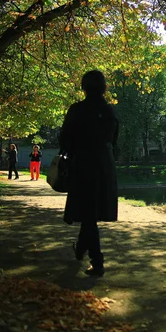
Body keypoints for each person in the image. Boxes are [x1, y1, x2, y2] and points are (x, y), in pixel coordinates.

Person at [60, 70, 119, 277]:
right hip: (105, 164)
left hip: (84, 164)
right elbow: (114, 140)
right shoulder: (110, 112)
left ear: (84, 87)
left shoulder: (77, 110)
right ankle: (82, 249)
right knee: (90, 213)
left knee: (88, 213)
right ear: (104, 87)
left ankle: (98, 262)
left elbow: (65, 140)